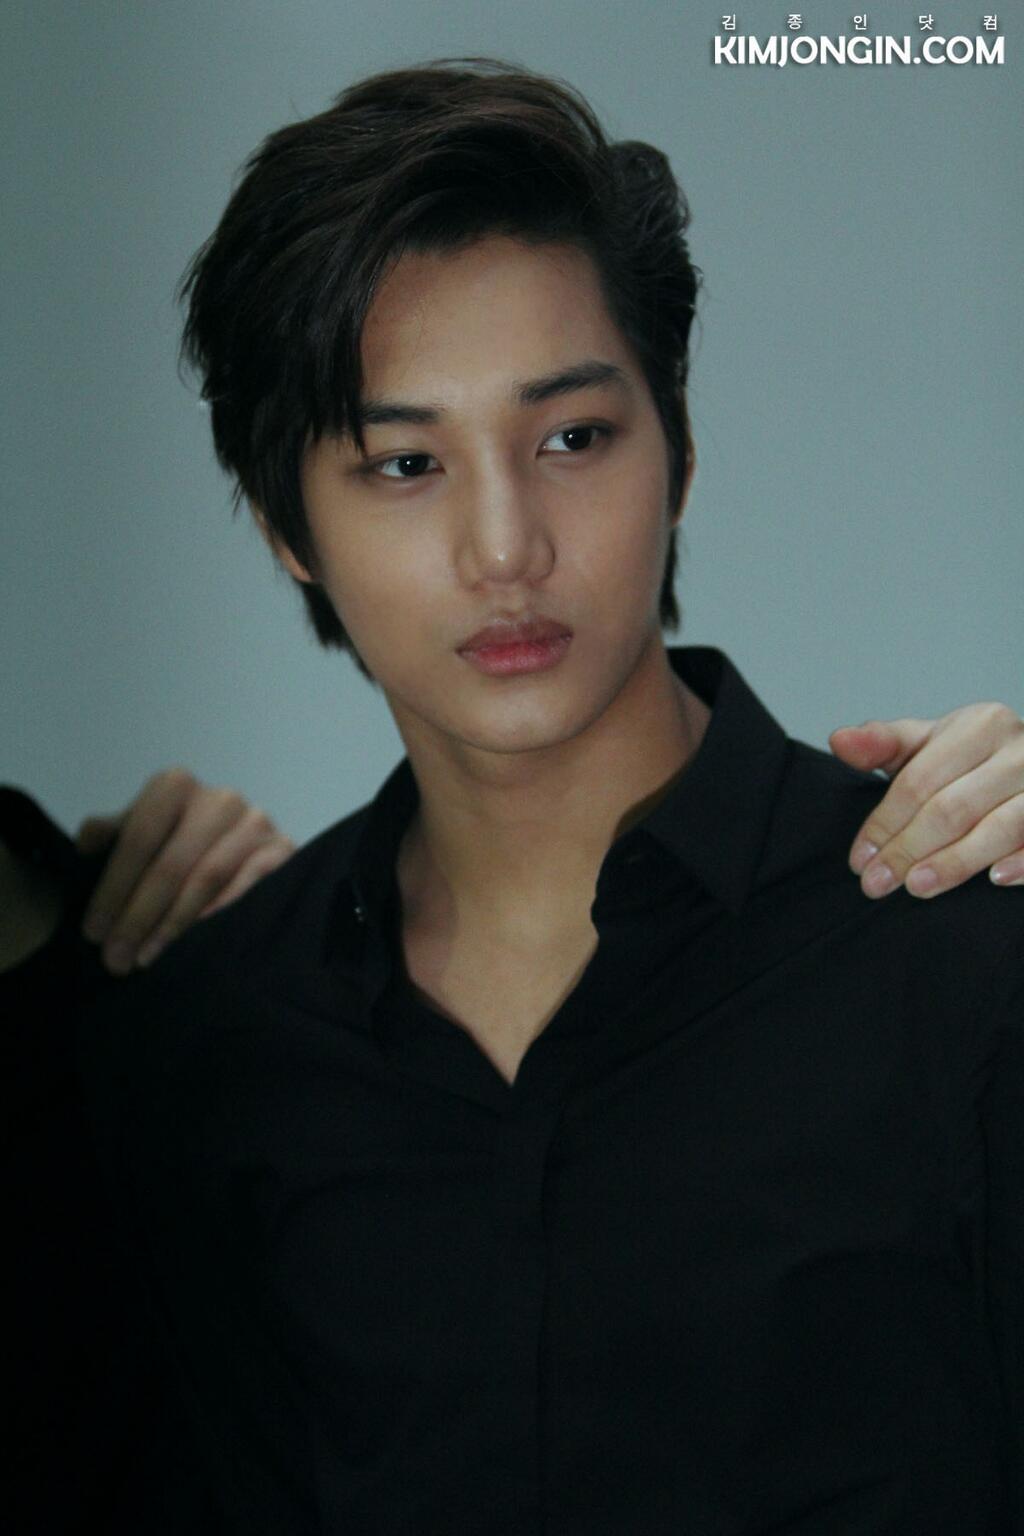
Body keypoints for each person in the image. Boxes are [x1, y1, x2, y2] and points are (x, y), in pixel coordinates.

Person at [63, 58, 1024, 1533]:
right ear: (285, 526)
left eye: (571, 438)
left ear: (678, 448)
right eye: (404, 463)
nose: (503, 547)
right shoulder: (214, 1047)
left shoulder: (963, 952)